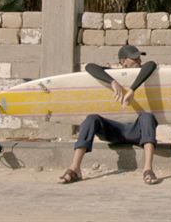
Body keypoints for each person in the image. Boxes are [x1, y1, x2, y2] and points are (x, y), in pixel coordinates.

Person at [58, 44, 161, 185]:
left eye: (139, 58)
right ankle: (75, 168)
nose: (138, 61)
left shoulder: (144, 73)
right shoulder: (111, 74)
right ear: (123, 61)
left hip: (137, 130)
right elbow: (90, 67)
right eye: (134, 58)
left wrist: (132, 89)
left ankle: (148, 169)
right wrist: (113, 82)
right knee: (91, 119)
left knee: (147, 116)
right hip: (113, 130)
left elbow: (151, 64)